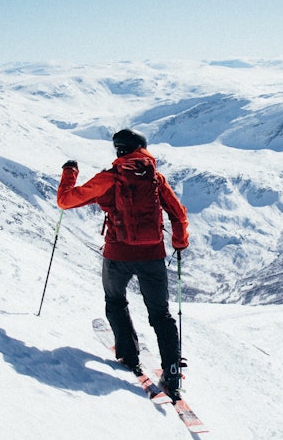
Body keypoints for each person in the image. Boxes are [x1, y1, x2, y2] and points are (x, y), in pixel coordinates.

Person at [57, 129, 190, 400]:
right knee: (161, 314)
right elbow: (178, 213)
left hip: (118, 254)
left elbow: (65, 201)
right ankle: (172, 372)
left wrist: (69, 173)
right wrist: (179, 242)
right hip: (152, 254)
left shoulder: (111, 177)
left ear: (119, 150)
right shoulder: (156, 178)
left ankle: (129, 355)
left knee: (115, 300)